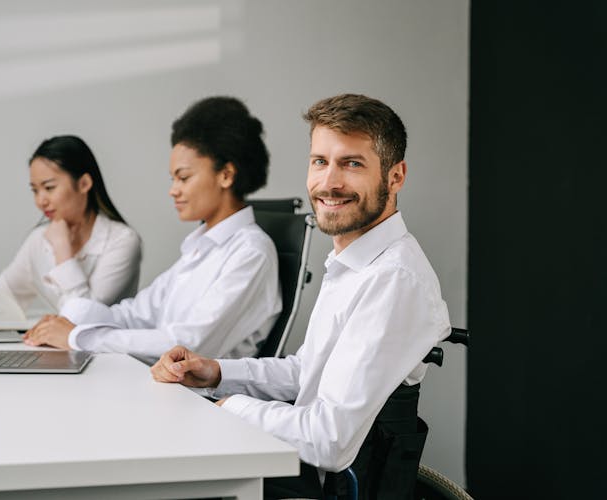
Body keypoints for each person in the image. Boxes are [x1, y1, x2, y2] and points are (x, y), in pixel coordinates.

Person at [151, 94, 452, 498]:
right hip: (299, 471)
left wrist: (227, 408)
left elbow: (329, 440)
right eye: (320, 161)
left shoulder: (393, 280)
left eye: (352, 163)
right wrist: (216, 374)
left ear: (396, 177)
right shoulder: (353, 261)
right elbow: (306, 371)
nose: (329, 182)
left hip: (325, 488)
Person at [23, 96, 282, 365]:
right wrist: (69, 319)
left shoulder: (251, 252)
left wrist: (78, 337)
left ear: (226, 175)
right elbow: (136, 314)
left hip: (198, 399)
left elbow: (187, 345)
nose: (173, 190)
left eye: (183, 177)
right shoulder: (200, 249)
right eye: (173, 179)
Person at [0, 135, 142, 313]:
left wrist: (62, 250)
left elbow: (82, 317)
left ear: (84, 183)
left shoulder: (123, 241)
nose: (41, 201)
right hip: (64, 354)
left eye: (49, 188)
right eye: (35, 190)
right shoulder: (39, 239)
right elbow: (3, 298)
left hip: (110, 359)